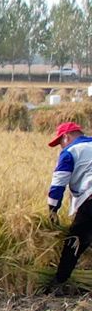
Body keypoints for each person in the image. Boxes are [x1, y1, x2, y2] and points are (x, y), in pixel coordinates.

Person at [46, 121, 92, 293]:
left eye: (60, 142)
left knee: (75, 241)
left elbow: (58, 185)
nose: (60, 147)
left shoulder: (70, 152)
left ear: (67, 136)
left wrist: (52, 211)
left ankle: (59, 282)